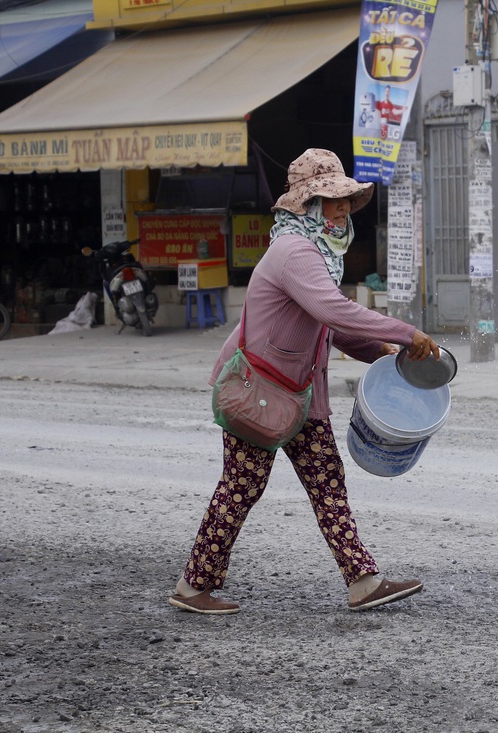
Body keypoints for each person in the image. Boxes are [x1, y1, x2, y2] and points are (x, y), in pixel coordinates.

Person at [169, 148, 440, 615]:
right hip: (261, 394)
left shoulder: (317, 253)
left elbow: (328, 329)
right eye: (331, 200)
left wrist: (379, 352)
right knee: (241, 488)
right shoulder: (294, 251)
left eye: (346, 200)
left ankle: (363, 582)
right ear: (307, 205)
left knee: (326, 482)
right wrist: (404, 331)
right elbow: (334, 311)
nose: (343, 209)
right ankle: (193, 588)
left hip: (298, 394)